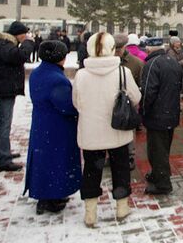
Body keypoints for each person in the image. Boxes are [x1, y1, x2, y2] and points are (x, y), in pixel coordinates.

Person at [72, 32, 141, 227]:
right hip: (116, 130)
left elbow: (76, 102)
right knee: (121, 168)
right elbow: (135, 98)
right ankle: (121, 207)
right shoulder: (122, 72)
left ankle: (91, 213)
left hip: (91, 132)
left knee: (91, 171)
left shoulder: (81, 74)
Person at [25, 40, 80, 215]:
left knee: (42, 159)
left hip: (42, 123)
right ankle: (52, 196)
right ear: (60, 57)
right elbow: (67, 106)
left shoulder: (38, 73)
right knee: (57, 160)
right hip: (57, 126)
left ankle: (44, 193)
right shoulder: (57, 80)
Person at [0, 21, 34, 171]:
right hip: (4, 88)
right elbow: (20, 56)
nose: (25, 36)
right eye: (24, 34)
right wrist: (28, 43)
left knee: (1, 120)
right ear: (18, 34)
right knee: (4, 122)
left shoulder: (3, 44)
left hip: (4, 87)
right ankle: (3, 158)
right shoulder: (4, 44)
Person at [140, 41, 183, 195]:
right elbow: (180, 87)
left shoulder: (152, 64)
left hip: (157, 115)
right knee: (164, 147)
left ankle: (163, 183)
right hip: (171, 112)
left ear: (150, 48)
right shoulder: (173, 62)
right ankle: (158, 174)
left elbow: (148, 92)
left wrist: (143, 111)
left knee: (156, 150)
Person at [114, 34, 145, 169]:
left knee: (128, 132)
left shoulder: (136, 63)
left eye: (119, 49)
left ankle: (130, 157)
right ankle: (113, 156)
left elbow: (141, 85)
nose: (117, 52)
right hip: (110, 104)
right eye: (115, 49)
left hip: (129, 105)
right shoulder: (108, 61)